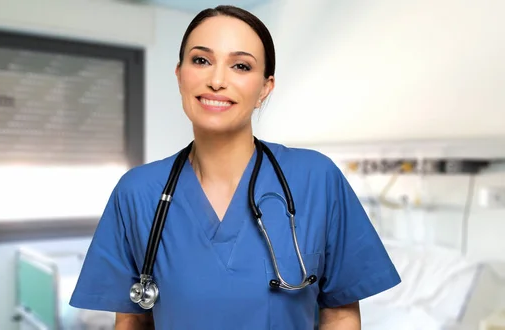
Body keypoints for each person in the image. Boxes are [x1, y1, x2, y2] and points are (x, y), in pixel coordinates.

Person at [70, 5, 401, 330]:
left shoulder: (317, 179)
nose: (216, 80)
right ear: (180, 75)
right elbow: (132, 321)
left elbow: (340, 311)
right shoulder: (137, 192)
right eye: (201, 60)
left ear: (264, 88)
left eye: (241, 66)